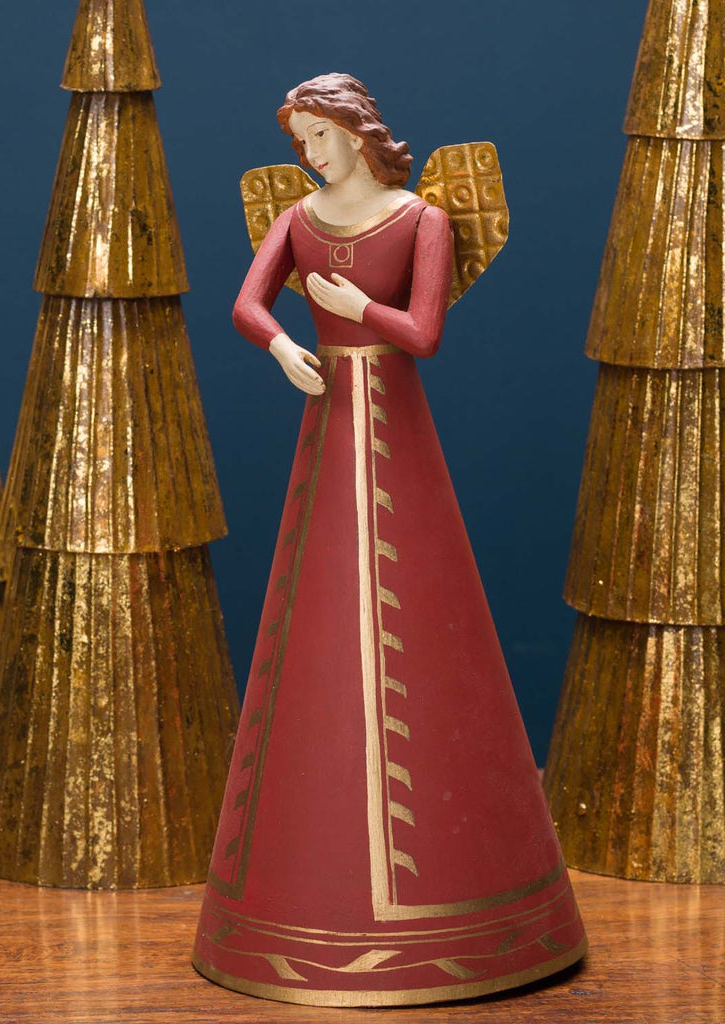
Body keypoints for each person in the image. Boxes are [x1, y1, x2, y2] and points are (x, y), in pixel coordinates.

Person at [192, 73, 586, 1007]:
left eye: (319, 136)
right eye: (299, 142)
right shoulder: (296, 219)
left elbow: (423, 333)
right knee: (315, 619)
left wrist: (353, 307)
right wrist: (283, 344)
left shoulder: (423, 220)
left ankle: (464, 909)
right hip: (327, 425)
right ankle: (297, 904)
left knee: (421, 617)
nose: (309, 154)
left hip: (396, 432)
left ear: (356, 131)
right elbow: (247, 305)